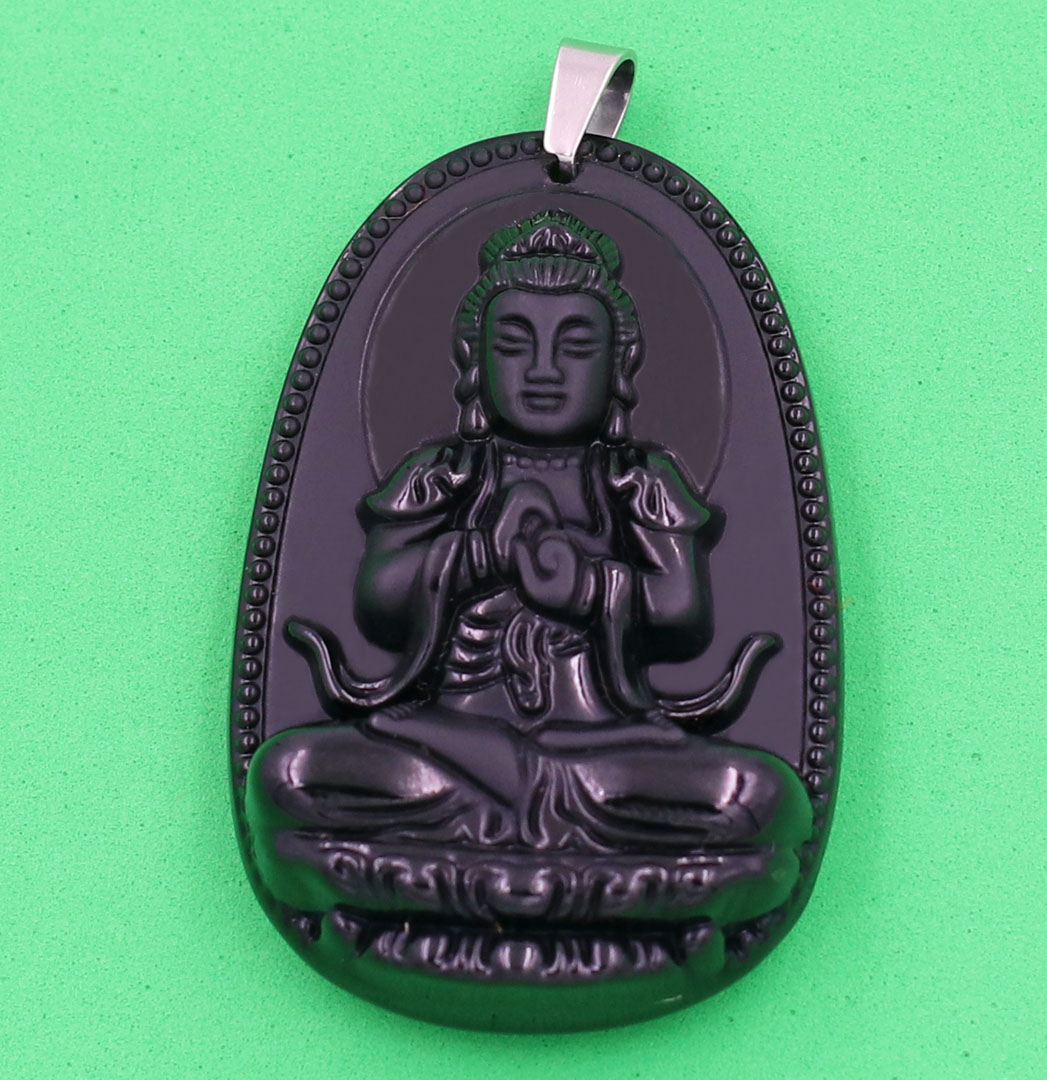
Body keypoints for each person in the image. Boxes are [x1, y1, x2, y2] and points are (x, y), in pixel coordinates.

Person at [246, 210, 810, 859]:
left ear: (621, 363)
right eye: (514, 345)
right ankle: (574, 854)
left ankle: (483, 836)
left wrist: (585, 587)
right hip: (446, 737)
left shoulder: (639, 482)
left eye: (577, 347)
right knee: (291, 773)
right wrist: (480, 554)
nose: (544, 370)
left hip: (600, 746)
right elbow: (381, 597)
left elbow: (682, 612)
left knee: (753, 795)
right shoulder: (441, 474)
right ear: (473, 358)